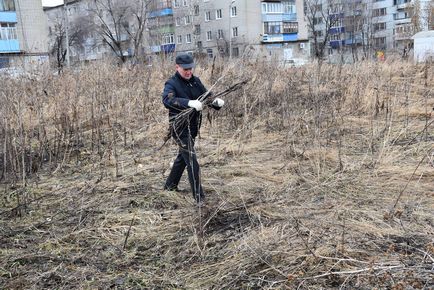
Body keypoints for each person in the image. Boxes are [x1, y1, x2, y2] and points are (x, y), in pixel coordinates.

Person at [162, 54, 224, 204]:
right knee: (191, 161)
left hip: (193, 127)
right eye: (185, 69)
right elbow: (167, 100)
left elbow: (206, 97)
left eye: (190, 69)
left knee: (182, 158)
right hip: (179, 127)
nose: (189, 72)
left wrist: (215, 102)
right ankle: (199, 199)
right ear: (177, 67)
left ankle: (170, 186)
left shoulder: (196, 82)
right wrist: (188, 102)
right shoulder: (171, 83)